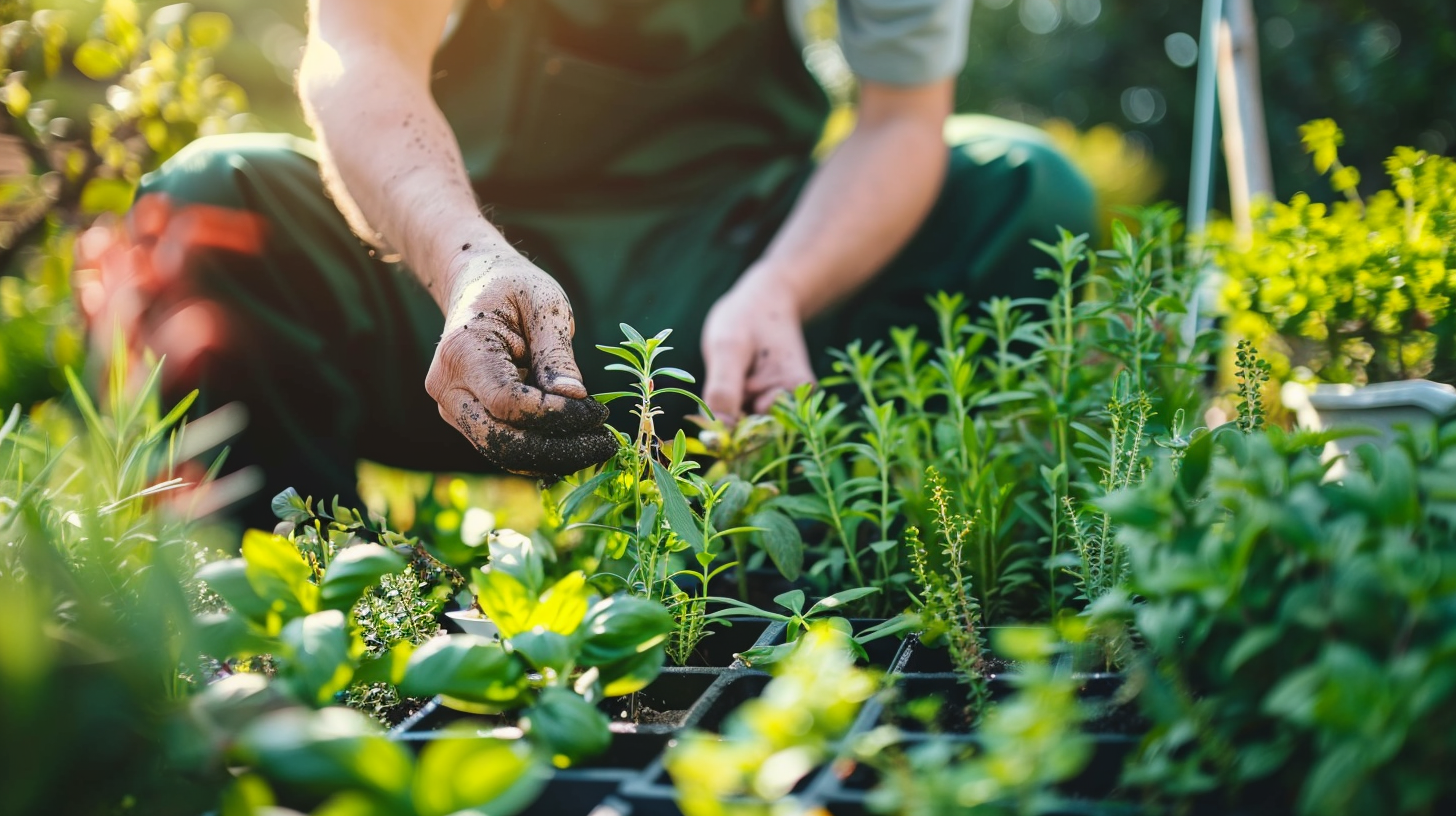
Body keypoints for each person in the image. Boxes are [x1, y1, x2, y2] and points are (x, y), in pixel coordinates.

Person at [76, 0, 1093, 525]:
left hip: (728, 290)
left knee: (1023, 191)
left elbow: (903, 120)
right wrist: (469, 266)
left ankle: (834, 562)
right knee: (208, 208)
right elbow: (360, 48)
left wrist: (785, 286)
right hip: (454, 276)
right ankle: (284, 607)